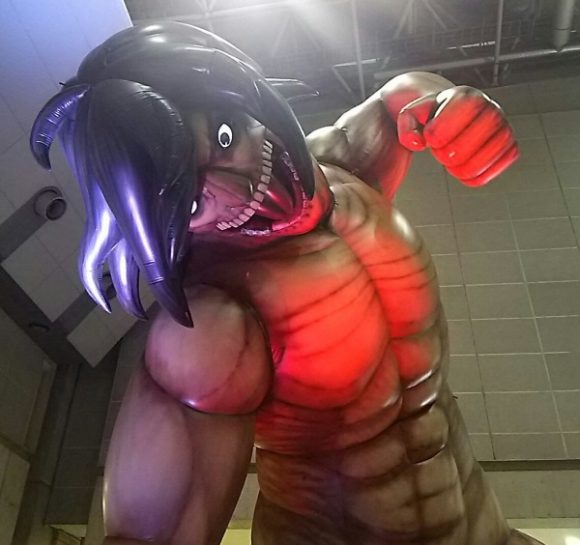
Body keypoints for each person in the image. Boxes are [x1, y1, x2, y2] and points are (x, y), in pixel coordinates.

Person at [31, 22, 537, 545]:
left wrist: (447, 107)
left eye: (225, 138)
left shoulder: (344, 167)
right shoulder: (214, 324)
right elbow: (147, 534)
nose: (244, 186)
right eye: (196, 199)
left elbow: (398, 103)